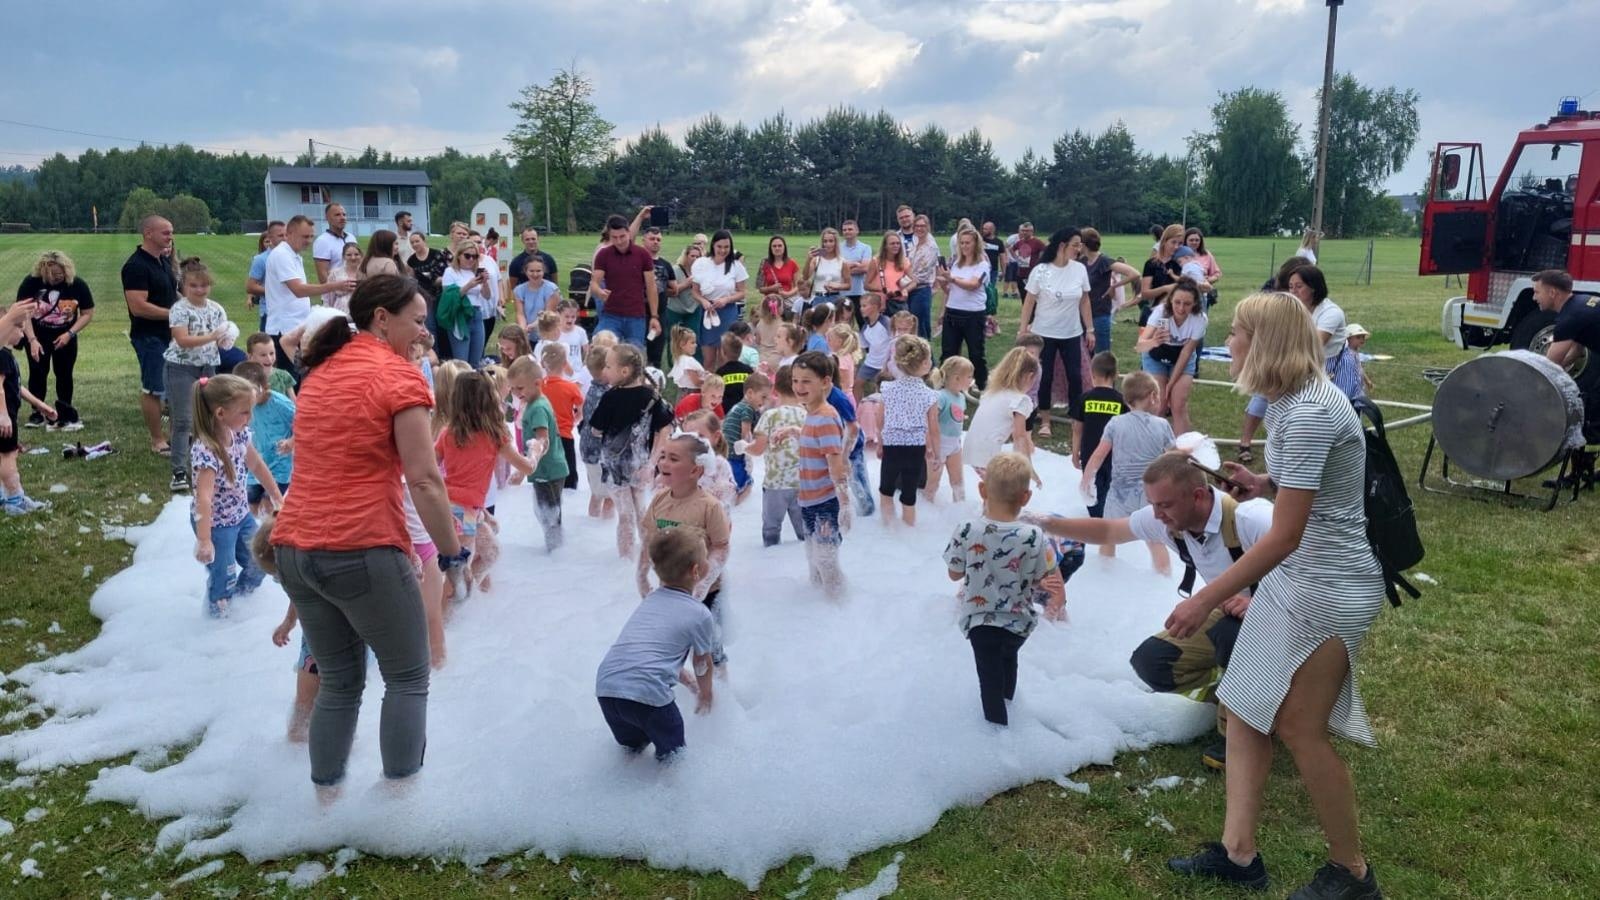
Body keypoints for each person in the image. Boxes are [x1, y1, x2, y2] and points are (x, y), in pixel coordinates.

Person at [1165, 291, 1386, 900]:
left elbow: (1286, 535)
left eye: (1237, 332)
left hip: (1331, 585)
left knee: (1298, 726)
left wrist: (1206, 596)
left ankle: (1353, 875)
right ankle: (1240, 856)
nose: (1229, 342)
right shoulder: (1291, 405)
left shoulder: (1310, 410)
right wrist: (1263, 481)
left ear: (1265, 343)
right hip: (1300, 576)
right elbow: (1304, 494)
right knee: (1242, 709)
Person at [269, 274, 464, 795]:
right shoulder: (399, 378)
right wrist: (452, 550)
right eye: (418, 323)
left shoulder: (321, 371)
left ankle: (325, 799)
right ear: (382, 317)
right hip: (360, 546)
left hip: (295, 548)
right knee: (406, 677)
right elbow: (424, 478)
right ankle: (400, 807)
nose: (424, 335)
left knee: (339, 679)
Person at [1030, 451, 1273, 768]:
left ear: (1198, 496)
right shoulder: (1170, 520)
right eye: (1153, 505)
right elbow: (1109, 531)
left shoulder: (1251, 518)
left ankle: (1242, 734)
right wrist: (1049, 525)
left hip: (1284, 617)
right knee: (1153, 663)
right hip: (1230, 611)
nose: (1157, 515)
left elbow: (1313, 572)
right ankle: (1240, 690)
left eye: (1165, 505)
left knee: (1230, 635)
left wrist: (1257, 602)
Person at [943, 451, 1056, 726]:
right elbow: (1043, 575)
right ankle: (1010, 712)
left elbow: (954, 573)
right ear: (1026, 497)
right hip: (1019, 621)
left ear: (982, 490)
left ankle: (997, 736)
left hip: (981, 621)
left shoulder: (968, 529)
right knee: (1008, 663)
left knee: (989, 681)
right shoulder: (1034, 535)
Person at [595, 527, 717, 762]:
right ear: (696, 571)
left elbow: (653, 654)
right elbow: (702, 663)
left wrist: (686, 682)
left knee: (633, 754)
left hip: (607, 688)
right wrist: (705, 694)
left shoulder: (650, 600)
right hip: (649, 696)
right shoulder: (699, 613)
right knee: (674, 760)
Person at [188, 374, 281, 617]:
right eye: (245, 412)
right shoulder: (206, 451)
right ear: (221, 414)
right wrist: (205, 540)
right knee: (224, 576)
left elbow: (257, 466)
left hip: (241, 516)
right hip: (215, 525)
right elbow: (203, 499)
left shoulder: (239, 434)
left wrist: (277, 497)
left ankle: (240, 605)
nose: (250, 418)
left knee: (260, 561)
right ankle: (218, 618)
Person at [1080, 371, 1173, 575]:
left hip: (1119, 494)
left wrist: (1086, 480)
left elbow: (1097, 456)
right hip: (1151, 495)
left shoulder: (1115, 423)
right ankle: (1164, 579)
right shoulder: (1162, 425)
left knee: (1108, 536)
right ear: (1153, 397)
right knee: (1155, 541)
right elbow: (1174, 458)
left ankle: (1104, 575)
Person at [589, 343, 676, 559]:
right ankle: (645, 559)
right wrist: (653, 462)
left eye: (608, 366)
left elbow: (595, 430)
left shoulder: (610, 398)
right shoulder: (652, 396)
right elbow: (665, 430)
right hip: (641, 465)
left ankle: (626, 560)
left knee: (627, 514)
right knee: (641, 512)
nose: (604, 371)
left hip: (615, 466)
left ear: (624, 371)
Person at [1018, 227, 1094, 442]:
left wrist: (1090, 329)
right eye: (1075, 245)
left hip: (1071, 332)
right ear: (1062, 245)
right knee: (1044, 376)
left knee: (1075, 376)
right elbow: (1029, 301)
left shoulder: (1079, 269)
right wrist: (1023, 329)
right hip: (1044, 333)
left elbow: (1085, 300)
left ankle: (1075, 418)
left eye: (1080, 245)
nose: (1079, 249)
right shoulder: (1041, 270)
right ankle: (1045, 420)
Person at [164, 258, 231, 493]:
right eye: (194, 286)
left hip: (208, 366)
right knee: (183, 420)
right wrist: (213, 336)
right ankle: (179, 470)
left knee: (210, 417)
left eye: (204, 285)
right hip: (181, 366)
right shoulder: (179, 309)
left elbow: (223, 338)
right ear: (184, 287)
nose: (200, 290)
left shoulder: (216, 309)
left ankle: (210, 462)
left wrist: (225, 338)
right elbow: (182, 340)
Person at [264, 216, 358, 379]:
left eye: (311, 236)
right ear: (290, 234)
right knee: (296, 380)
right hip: (284, 327)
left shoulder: (293, 255)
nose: (309, 241)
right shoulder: (282, 255)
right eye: (305, 237)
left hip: (296, 324)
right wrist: (334, 285)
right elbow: (298, 290)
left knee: (304, 375)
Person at [791, 351, 852, 597]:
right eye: (795, 380)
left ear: (825, 382)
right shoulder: (813, 414)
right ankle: (820, 608)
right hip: (809, 499)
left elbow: (835, 463)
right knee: (813, 555)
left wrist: (845, 504)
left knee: (825, 558)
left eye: (806, 381)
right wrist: (794, 432)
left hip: (825, 502)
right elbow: (817, 446)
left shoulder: (826, 417)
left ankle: (836, 608)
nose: (799, 387)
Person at [121, 215, 181, 455]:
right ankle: (157, 440)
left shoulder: (162, 262)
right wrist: (174, 315)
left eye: (171, 232)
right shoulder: (136, 266)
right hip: (148, 337)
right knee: (154, 388)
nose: (170, 236)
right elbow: (138, 306)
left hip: (171, 335)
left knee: (177, 386)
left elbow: (171, 295)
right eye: (166, 232)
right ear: (148, 233)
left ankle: (178, 435)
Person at [16, 250, 94, 431]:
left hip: (65, 336)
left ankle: (64, 409)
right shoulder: (31, 283)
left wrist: (70, 334)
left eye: (59, 274)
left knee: (64, 373)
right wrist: (32, 340)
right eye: (51, 276)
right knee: (37, 372)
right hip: (37, 335)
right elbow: (23, 313)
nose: (56, 279)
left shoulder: (77, 284)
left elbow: (88, 313)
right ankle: (37, 412)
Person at [506, 356, 567, 551]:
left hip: (547, 472)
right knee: (549, 513)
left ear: (537, 383)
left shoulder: (538, 408)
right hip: (551, 469)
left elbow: (542, 440)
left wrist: (525, 469)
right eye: (513, 388)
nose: (516, 393)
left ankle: (555, 552)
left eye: (520, 388)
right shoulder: (536, 402)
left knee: (548, 514)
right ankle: (557, 551)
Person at [878, 336, 938, 527]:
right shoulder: (929, 395)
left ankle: (889, 527)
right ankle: (909, 529)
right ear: (925, 364)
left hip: (892, 445)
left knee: (886, 489)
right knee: (909, 492)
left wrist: (880, 443)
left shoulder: (887, 389)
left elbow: (880, 419)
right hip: (915, 447)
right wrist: (936, 453)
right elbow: (934, 428)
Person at [745, 365, 808, 545]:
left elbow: (757, 449)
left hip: (775, 484)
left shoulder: (770, 416)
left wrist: (744, 447)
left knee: (771, 530)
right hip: (802, 483)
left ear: (775, 389)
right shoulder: (808, 415)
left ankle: (771, 562)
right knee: (805, 535)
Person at [1137, 277, 1207, 435]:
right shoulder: (1161, 313)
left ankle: (1180, 453)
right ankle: (1153, 447)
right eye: (1177, 302)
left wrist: (1171, 384)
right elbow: (1140, 346)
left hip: (1181, 357)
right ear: (1171, 300)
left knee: (1178, 405)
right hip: (1156, 355)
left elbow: (1186, 353)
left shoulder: (1199, 319)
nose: (1181, 308)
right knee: (1159, 405)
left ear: (1195, 303)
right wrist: (1154, 340)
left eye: (1187, 304)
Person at [1, 332, 57, 515]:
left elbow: (17, 387)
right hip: (5, 418)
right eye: (18, 327)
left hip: (7, 416)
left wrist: (41, 406)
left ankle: (3, 496)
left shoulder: (7, 355)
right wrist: (3, 415)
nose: (22, 333)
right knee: (9, 457)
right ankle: (15, 499)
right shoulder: (2, 355)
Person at [1068, 351, 1125, 527]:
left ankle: (1096, 517)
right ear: (1115, 375)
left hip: (1089, 451)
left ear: (1092, 374)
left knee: (1091, 483)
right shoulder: (1120, 400)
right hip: (1112, 453)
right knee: (1108, 483)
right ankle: (1107, 514)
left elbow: (1077, 428)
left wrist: (1075, 451)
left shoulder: (1085, 398)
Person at [963, 346, 1039, 475]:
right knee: (1004, 492)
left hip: (972, 449)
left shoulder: (993, 393)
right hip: (988, 455)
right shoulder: (1020, 401)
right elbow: (1019, 437)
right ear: (1029, 376)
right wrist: (1028, 468)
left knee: (992, 490)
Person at [591, 214, 661, 349]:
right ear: (609, 236)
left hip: (636, 316)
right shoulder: (603, 254)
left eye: (622, 236)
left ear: (629, 233)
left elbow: (651, 287)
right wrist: (598, 291)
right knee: (600, 348)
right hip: (611, 315)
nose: (618, 241)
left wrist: (654, 316)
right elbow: (594, 283)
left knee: (634, 356)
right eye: (614, 237)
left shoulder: (642, 255)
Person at [232, 362, 294, 515]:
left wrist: (291, 442)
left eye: (252, 392)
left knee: (269, 505)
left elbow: (304, 422)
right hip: (255, 467)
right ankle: (253, 536)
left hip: (280, 466)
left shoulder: (280, 403)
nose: (249, 398)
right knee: (249, 504)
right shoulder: (243, 406)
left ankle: (270, 536)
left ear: (265, 385)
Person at [937, 228, 993, 388]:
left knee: (976, 353)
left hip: (973, 314)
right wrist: (943, 281)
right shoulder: (956, 263)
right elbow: (951, 290)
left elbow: (973, 285)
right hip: (953, 311)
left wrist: (952, 278)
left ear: (976, 243)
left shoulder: (982, 264)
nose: (964, 246)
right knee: (948, 352)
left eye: (968, 242)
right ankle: (946, 385)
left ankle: (982, 384)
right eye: (961, 243)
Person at [690, 230, 749, 372]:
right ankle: (709, 388)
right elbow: (695, 291)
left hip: (727, 312)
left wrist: (727, 299)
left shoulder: (736, 266)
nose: (723, 250)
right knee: (709, 358)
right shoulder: (702, 264)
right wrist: (703, 301)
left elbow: (742, 292)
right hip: (707, 313)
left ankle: (724, 389)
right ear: (713, 246)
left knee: (725, 357)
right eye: (719, 246)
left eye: (726, 247)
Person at [1080, 228, 1141, 355]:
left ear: (1084, 244)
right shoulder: (1082, 261)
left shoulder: (1103, 261)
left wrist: (1114, 286)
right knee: (1085, 355)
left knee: (1102, 355)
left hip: (1100, 313)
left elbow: (1134, 273)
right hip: (1083, 315)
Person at [925, 355, 973, 503]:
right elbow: (929, 421)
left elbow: (955, 417)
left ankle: (960, 510)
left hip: (955, 444)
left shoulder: (961, 397)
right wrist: (930, 446)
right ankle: (926, 509)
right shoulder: (941, 396)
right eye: (969, 377)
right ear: (957, 378)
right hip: (938, 444)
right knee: (932, 483)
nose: (972, 380)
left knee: (958, 482)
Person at [537, 343, 585, 490]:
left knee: (544, 478)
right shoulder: (571, 388)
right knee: (569, 478)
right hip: (564, 435)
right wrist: (576, 419)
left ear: (542, 364)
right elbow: (581, 411)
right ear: (565, 364)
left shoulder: (538, 386)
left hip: (544, 436)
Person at [439, 238, 493, 367]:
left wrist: (484, 283)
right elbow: (448, 297)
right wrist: (469, 285)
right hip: (460, 315)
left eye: (474, 256)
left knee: (476, 359)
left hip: (477, 314)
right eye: (467, 256)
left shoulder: (474, 272)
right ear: (459, 256)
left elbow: (487, 296)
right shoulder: (450, 272)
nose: (471, 259)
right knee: (462, 361)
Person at [721, 369, 768, 501]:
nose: (764, 402)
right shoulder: (748, 408)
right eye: (763, 397)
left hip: (725, 449)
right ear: (750, 393)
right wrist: (749, 451)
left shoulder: (738, 406)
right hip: (734, 452)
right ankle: (738, 498)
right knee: (744, 481)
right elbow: (745, 433)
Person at [664, 242, 705, 370]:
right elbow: (668, 292)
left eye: (698, 257)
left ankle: (696, 366)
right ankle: (675, 366)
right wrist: (685, 285)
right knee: (674, 338)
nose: (695, 259)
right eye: (692, 256)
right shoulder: (676, 270)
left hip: (693, 309)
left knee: (694, 338)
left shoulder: (702, 271)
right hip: (675, 309)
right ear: (686, 256)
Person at [1141, 224, 1184, 328]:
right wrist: (1165, 289)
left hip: (1177, 314)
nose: (1176, 247)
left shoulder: (1181, 264)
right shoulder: (1152, 264)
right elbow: (1145, 294)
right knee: (1155, 340)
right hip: (1156, 312)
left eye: (1180, 243)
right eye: (1173, 242)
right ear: (1164, 241)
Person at [246, 221, 287, 328]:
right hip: (270, 313)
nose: (284, 238)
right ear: (270, 237)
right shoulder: (261, 259)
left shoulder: (292, 257)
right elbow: (250, 287)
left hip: (289, 313)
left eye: (286, 235)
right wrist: (276, 291)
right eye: (280, 236)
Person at [905, 214, 939, 339]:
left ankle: (927, 357)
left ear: (928, 227)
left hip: (921, 290)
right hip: (910, 290)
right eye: (917, 226)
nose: (920, 228)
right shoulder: (914, 246)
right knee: (911, 327)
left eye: (923, 226)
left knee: (920, 327)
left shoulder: (931, 247)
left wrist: (903, 283)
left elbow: (922, 273)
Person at [801, 228, 849, 311]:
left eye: (831, 241)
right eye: (825, 241)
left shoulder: (842, 261)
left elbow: (848, 285)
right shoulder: (817, 259)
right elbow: (805, 277)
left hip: (835, 298)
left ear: (835, 243)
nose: (828, 244)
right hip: (818, 298)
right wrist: (808, 259)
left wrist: (837, 286)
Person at [867, 231, 912, 319]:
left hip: (898, 303)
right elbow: (867, 285)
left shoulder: (904, 261)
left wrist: (905, 290)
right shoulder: (876, 261)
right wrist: (883, 289)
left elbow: (914, 281)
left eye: (898, 243)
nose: (896, 246)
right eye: (892, 244)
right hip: (881, 304)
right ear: (885, 246)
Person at [839, 219, 874, 324]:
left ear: (857, 231)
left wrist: (844, 268)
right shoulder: (838, 248)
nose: (847, 232)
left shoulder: (865, 248)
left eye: (850, 229)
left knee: (864, 323)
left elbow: (865, 268)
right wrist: (856, 264)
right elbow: (835, 268)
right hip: (843, 292)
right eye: (844, 230)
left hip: (860, 292)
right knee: (843, 323)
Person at [758, 235, 802, 316]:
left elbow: (798, 285)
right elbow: (760, 288)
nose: (777, 248)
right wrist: (771, 288)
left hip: (787, 304)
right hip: (770, 304)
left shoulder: (792, 263)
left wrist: (788, 294)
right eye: (774, 246)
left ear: (784, 247)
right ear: (770, 248)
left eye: (780, 246)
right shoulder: (764, 263)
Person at [311, 203, 356, 283]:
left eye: (344, 215)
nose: (342, 218)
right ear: (327, 218)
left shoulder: (351, 238)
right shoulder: (322, 241)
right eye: (337, 215)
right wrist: (336, 292)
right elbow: (322, 275)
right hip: (336, 292)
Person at [513, 258, 560, 332]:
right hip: (528, 331)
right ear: (525, 271)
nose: (535, 274)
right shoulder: (518, 290)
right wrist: (523, 329)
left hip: (547, 331)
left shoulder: (552, 289)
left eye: (538, 271)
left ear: (543, 271)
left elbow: (549, 314)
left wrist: (532, 326)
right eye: (531, 271)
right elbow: (520, 314)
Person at [1183, 227, 1224, 310]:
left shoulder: (1206, 255)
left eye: (1197, 240)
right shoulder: (1180, 255)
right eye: (1191, 240)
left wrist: (1206, 281)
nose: (1194, 242)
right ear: (1185, 241)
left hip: (1202, 296)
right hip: (1183, 294)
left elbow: (1217, 274)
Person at [507, 227, 558, 292]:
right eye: (527, 239)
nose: (531, 242)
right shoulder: (516, 263)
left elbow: (555, 284)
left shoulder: (549, 259)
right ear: (522, 241)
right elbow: (514, 287)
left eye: (533, 239)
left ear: (538, 239)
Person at [324, 241, 365, 313]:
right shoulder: (335, 273)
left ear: (361, 255)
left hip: (361, 311)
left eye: (356, 254)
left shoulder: (365, 273)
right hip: (340, 312)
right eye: (349, 255)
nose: (353, 258)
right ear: (343, 256)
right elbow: (328, 297)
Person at [1008, 222, 1044, 298]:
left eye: (1027, 231)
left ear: (1032, 231)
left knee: (1031, 295)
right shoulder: (1020, 242)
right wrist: (1016, 258)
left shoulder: (1037, 242)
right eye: (1023, 230)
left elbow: (1045, 250)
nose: (1024, 232)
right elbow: (1011, 249)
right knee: (1023, 294)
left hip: (1032, 273)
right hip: (1020, 272)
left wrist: (1040, 262)